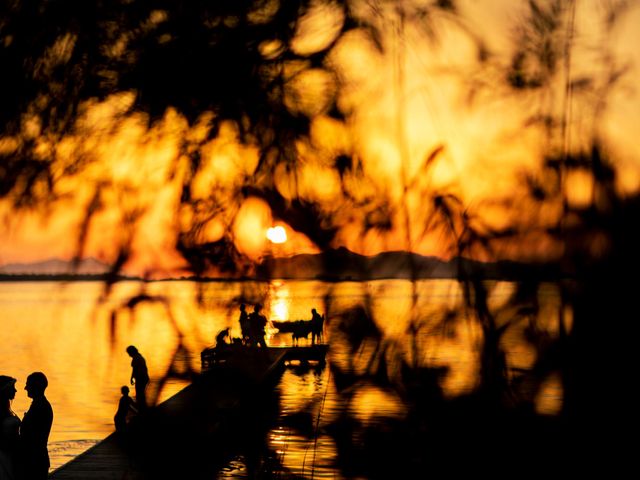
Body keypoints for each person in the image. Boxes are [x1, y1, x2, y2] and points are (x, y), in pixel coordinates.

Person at [20, 372, 53, 480]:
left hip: (35, 461)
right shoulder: (39, 404)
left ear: (36, 387)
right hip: (36, 459)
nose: (25, 388)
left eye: (28, 384)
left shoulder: (41, 407)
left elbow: (33, 437)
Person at [0, 376, 20, 480]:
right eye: (13, 387)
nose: (15, 390)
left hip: (12, 454)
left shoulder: (7, 409)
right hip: (4, 455)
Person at [126, 346, 149, 410]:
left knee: (139, 394)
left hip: (141, 378)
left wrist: (132, 378)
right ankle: (143, 408)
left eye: (129, 353)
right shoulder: (139, 357)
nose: (129, 355)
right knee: (140, 394)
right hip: (143, 378)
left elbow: (135, 370)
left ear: (132, 352)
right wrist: (132, 377)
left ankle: (142, 410)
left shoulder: (137, 358)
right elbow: (135, 369)